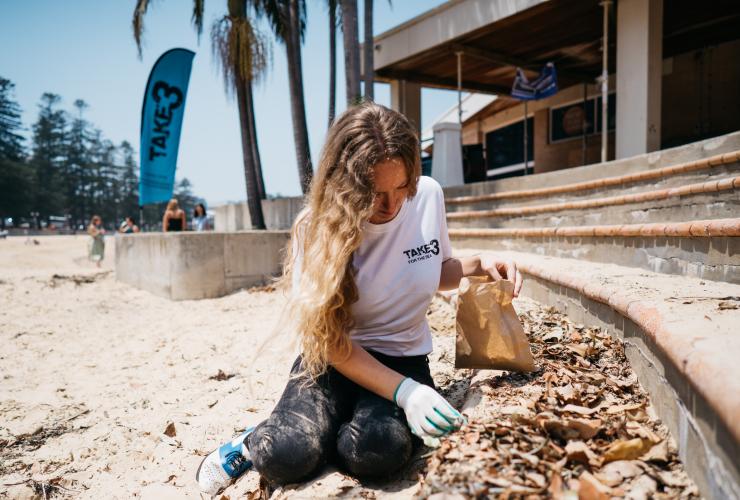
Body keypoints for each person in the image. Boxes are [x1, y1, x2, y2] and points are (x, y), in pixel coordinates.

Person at [196, 102, 522, 495]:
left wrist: (478, 264)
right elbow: (330, 342)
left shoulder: (428, 196)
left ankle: (329, 430)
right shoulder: (314, 228)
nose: (391, 205)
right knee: (285, 454)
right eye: (374, 192)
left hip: (403, 357)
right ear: (345, 185)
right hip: (329, 362)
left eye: (401, 187)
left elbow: (430, 269)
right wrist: (408, 394)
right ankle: (250, 441)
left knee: (378, 451)